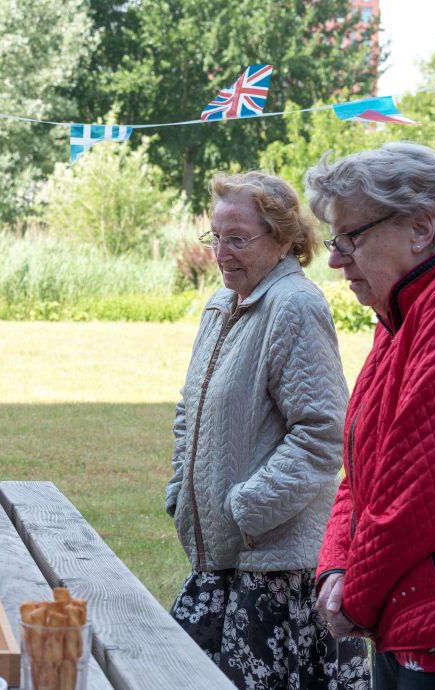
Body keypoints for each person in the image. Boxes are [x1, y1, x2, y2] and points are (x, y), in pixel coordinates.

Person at [165, 171, 369, 688]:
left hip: (275, 569)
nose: (222, 253)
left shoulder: (295, 306)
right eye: (216, 237)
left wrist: (247, 508)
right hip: (223, 560)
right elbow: (190, 410)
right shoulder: (220, 306)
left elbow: (323, 433)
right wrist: (179, 494)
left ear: (283, 240)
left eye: (238, 239)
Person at [307, 143, 435, 688]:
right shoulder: (406, 309)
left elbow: (421, 488)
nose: (336, 259)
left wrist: (355, 597)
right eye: (335, 240)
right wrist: (337, 566)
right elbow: (365, 467)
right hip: (416, 619)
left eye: (352, 238)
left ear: (420, 228)